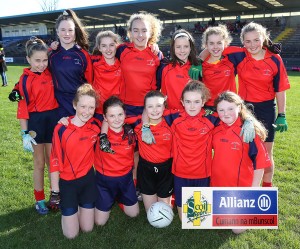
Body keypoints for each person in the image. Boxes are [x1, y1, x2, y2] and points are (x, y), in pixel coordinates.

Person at [223, 22, 290, 187]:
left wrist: (282, 115)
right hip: (245, 109)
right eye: (248, 41)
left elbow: (280, 89)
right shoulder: (239, 55)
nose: (252, 44)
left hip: (267, 109)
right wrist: (197, 62)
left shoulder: (274, 59)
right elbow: (214, 48)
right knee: (244, 151)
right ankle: (246, 186)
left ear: (264, 39)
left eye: (256, 40)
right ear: (243, 42)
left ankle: (266, 188)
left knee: (266, 152)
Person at [9, 37, 59, 215]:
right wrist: (24, 133)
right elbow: (21, 108)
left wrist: (52, 48)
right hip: (36, 123)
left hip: (53, 120)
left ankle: (57, 195)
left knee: (53, 161)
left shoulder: (50, 72)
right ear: (28, 59)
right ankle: (39, 199)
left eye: (45, 60)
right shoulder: (23, 81)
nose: (42, 64)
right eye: (37, 60)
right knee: (39, 163)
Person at [212, 91, 272, 234]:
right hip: (217, 186)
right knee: (214, 222)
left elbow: (260, 164)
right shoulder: (215, 126)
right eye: (221, 110)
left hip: (240, 189)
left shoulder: (248, 131)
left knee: (236, 229)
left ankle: (249, 208)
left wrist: (253, 190)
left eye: (230, 109)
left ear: (240, 108)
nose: (226, 113)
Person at [50, 84, 100, 239]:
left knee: (87, 229)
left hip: (87, 180)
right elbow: (54, 161)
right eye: (82, 106)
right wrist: (54, 192)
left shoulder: (96, 127)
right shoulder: (61, 128)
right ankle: (70, 207)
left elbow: (112, 124)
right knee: (71, 235)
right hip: (68, 183)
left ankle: (79, 207)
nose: (86, 111)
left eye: (91, 107)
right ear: (74, 105)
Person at [171, 81, 219, 220]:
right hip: (180, 172)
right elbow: (150, 111)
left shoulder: (211, 118)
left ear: (203, 102)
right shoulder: (174, 117)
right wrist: (145, 127)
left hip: (202, 173)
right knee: (184, 219)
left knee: (197, 219)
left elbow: (233, 114)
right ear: (182, 102)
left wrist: (247, 122)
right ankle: (174, 200)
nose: (192, 106)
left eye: (196, 101)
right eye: (188, 101)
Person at [94, 96, 139, 226]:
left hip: (125, 180)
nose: (117, 119)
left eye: (120, 114)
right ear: (105, 117)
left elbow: (149, 113)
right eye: (112, 116)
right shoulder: (98, 131)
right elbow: (80, 118)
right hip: (104, 182)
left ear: (125, 114)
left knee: (134, 214)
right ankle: (108, 198)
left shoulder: (131, 130)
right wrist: (65, 120)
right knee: (99, 222)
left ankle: (120, 198)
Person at [49, 9, 93, 118]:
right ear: (57, 32)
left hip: (80, 103)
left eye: (70, 30)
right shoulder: (51, 55)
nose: (67, 33)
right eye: (63, 30)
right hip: (58, 104)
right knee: (61, 133)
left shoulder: (83, 55)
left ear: (75, 31)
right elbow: (37, 72)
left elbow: (90, 82)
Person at [134, 91, 174, 212]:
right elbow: (112, 117)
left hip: (166, 169)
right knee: (151, 211)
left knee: (165, 210)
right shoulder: (137, 124)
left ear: (164, 107)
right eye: (150, 106)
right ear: (145, 109)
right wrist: (145, 126)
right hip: (146, 169)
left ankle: (171, 197)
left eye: (158, 105)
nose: (155, 110)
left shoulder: (171, 121)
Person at [158, 29, 202, 111]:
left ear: (190, 48)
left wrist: (199, 62)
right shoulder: (164, 66)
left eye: (186, 46)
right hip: (171, 115)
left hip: (191, 115)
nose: (182, 51)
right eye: (178, 47)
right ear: (173, 48)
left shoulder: (196, 68)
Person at [200, 24, 237, 110]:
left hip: (228, 105)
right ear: (206, 45)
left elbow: (250, 48)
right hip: (208, 107)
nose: (215, 46)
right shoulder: (201, 65)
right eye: (211, 43)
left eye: (219, 43)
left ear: (225, 43)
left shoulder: (232, 60)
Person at [91, 30, 122, 121]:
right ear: (99, 48)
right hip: (99, 111)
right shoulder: (93, 63)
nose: (108, 49)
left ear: (117, 45)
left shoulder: (123, 64)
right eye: (104, 46)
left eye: (111, 45)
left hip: (117, 111)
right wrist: (52, 48)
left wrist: (152, 45)